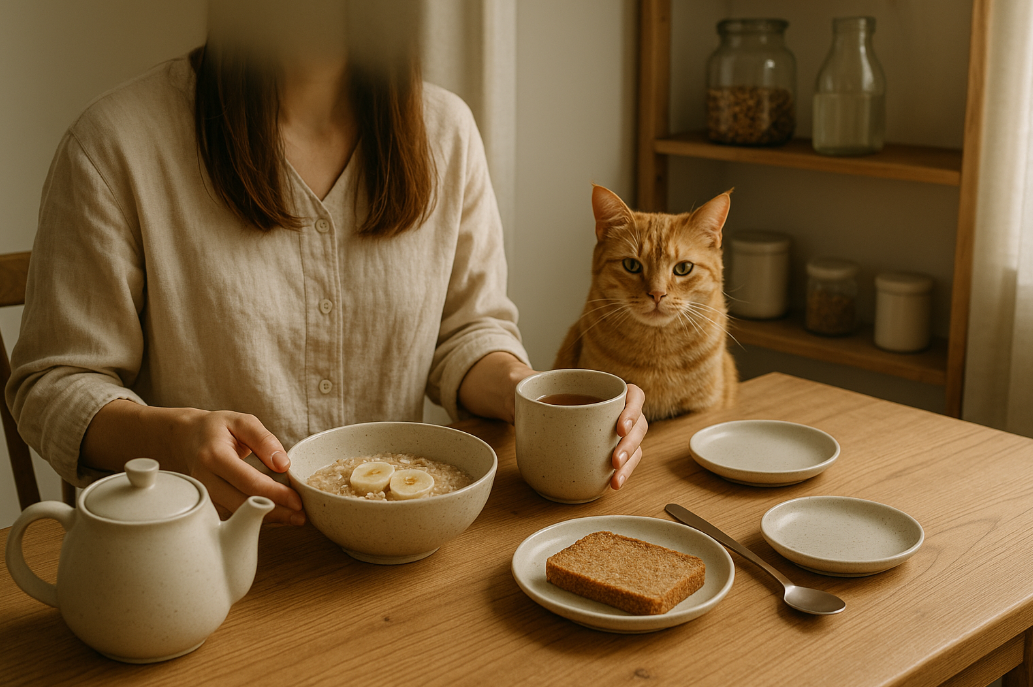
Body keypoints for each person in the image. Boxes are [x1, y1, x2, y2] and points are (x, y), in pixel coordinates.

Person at [5, 1, 647, 525]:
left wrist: (522, 392)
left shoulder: (446, 131)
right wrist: (170, 437)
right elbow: (54, 385)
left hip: (404, 550)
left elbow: (466, 333)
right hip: (201, 554)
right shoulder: (115, 143)